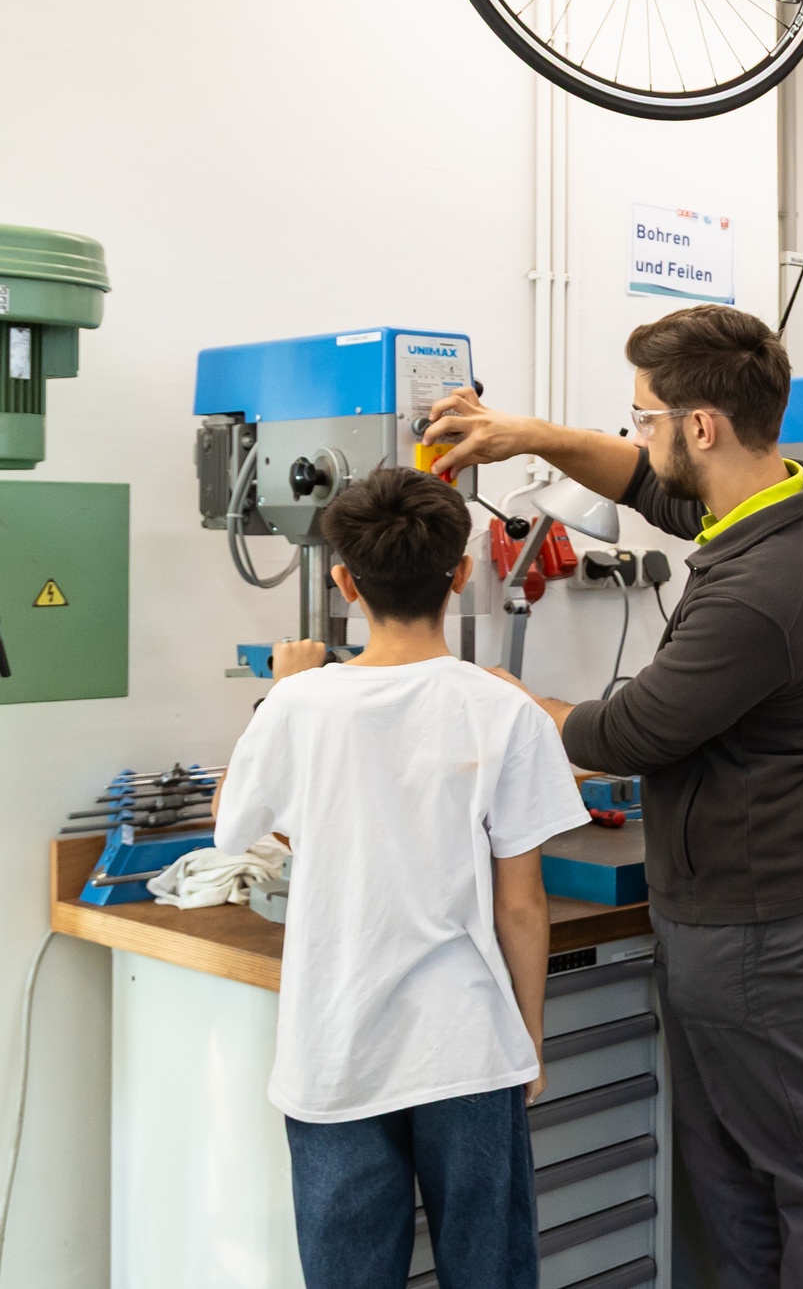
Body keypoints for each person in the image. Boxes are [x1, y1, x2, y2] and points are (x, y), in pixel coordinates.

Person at [425, 305, 803, 1288]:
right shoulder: (784, 500)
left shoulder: (766, 581)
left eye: (644, 416)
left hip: (754, 920)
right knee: (728, 1174)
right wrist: (525, 436)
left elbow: (632, 733)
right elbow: (643, 484)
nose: (635, 435)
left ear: (701, 427)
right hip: (737, 902)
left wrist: (506, 702)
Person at [214, 468, 588, 1289]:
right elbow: (522, 907)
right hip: (468, 1042)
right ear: (460, 573)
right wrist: (528, 1043)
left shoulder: (298, 705)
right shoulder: (505, 710)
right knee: (490, 1270)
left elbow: (235, 820)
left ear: (345, 582)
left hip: (336, 1044)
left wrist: (284, 687)